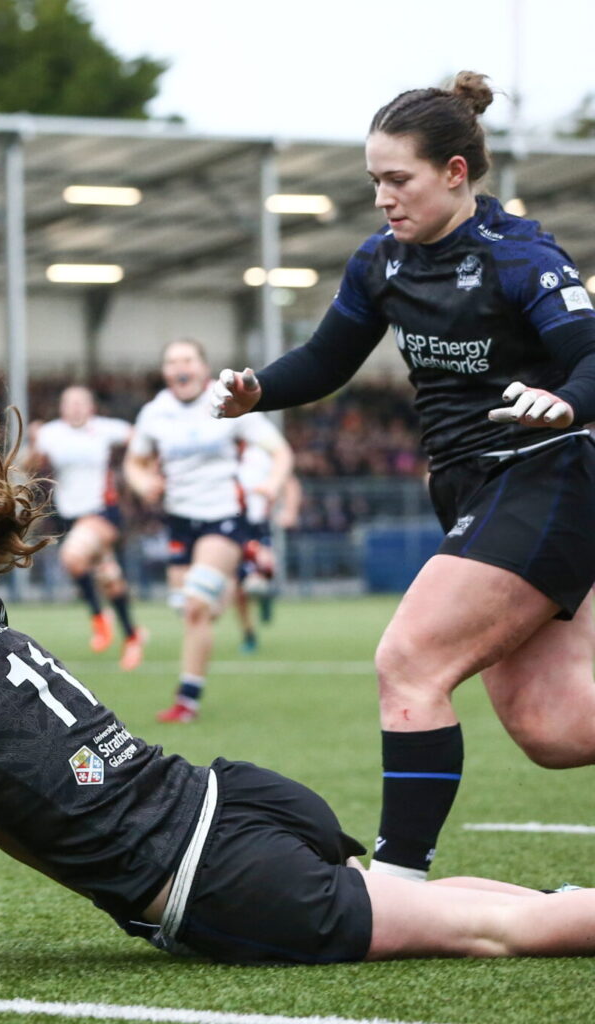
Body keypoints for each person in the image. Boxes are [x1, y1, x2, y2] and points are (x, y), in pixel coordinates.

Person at [0, 368, 595, 965]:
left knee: (489, 935)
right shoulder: (3, 634)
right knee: (438, 912)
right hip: (232, 800)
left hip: (212, 879)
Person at [209, 72, 595, 881]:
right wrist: (259, 392)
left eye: (398, 180)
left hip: (542, 477)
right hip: (470, 489)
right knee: (554, 729)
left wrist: (563, 401)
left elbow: (592, 354)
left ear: (456, 173)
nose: (383, 198)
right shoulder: (381, 263)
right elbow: (325, 360)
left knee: (409, 660)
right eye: (374, 181)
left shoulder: (517, 253)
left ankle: (397, 875)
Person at [126, 340, 292, 723]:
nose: (179, 367)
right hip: (179, 521)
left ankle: (187, 702)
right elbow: (134, 463)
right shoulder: (155, 413)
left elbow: (281, 452)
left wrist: (271, 484)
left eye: (187, 360)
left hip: (225, 518)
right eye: (172, 361)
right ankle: (228, 588)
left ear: (203, 367)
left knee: (198, 606)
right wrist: (142, 483)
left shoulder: (228, 401)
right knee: (188, 608)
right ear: (165, 371)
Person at [28, 386, 145, 670]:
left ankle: (98, 617)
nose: (76, 407)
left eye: (81, 402)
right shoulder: (50, 433)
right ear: (62, 408)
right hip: (70, 517)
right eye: (70, 403)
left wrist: (140, 467)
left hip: (102, 512)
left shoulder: (105, 429)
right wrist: (33, 444)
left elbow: (141, 438)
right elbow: (27, 466)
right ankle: (132, 636)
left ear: (91, 407)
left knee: (71, 556)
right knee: (109, 578)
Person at [232, 446, 300, 652]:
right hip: (230, 523)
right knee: (238, 587)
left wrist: (289, 511)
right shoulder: (221, 450)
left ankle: (264, 594)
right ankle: (249, 633)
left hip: (258, 525)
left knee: (262, 573)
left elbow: (290, 483)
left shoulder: (263, 452)